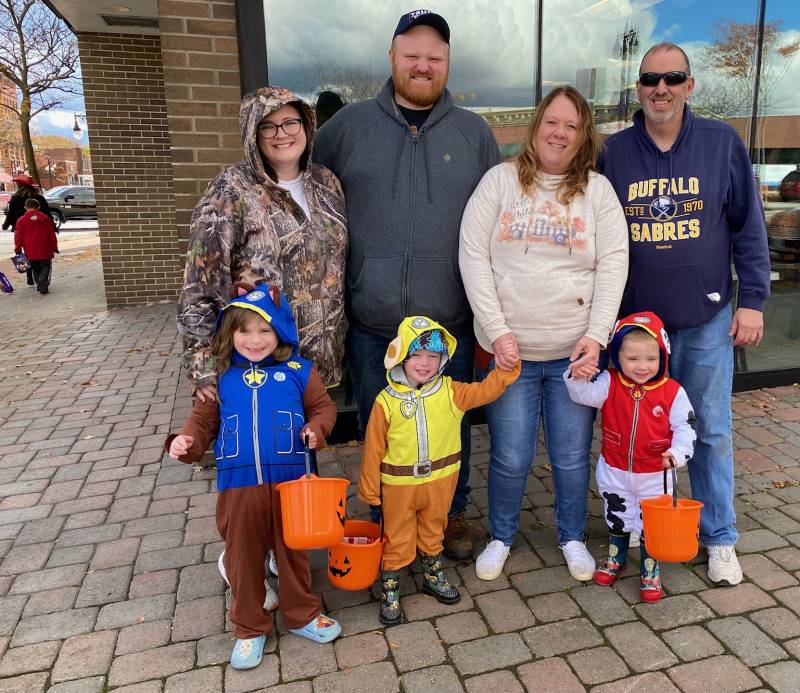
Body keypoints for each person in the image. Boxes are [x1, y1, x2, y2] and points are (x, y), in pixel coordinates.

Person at [314, 10, 500, 559]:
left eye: (434, 58)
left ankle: (453, 513)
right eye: (412, 55)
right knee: (383, 432)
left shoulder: (474, 134)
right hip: (376, 326)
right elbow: (306, 203)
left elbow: (496, 226)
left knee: (451, 429)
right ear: (393, 57)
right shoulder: (344, 130)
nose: (423, 66)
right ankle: (386, 520)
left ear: (447, 65)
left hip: (451, 324)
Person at [600, 43, 771, 586]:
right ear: (639, 89)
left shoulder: (721, 143)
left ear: (689, 85)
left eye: (673, 78)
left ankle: (720, 537)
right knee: (632, 427)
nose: (661, 88)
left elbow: (748, 228)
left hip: (705, 321)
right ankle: (635, 523)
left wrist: (754, 301)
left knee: (712, 430)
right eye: (651, 79)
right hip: (638, 330)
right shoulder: (615, 152)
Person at [459, 85, 629, 581]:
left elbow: (614, 263)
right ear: (536, 128)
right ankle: (501, 536)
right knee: (510, 456)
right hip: (511, 353)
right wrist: (496, 330)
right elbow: (473, 257)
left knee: (572, 456)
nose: (560, 133)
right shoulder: (499, 182)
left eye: (571, 126)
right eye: (552, 122)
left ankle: (572, 535)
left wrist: (597, 336)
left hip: (572, 354)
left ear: (583, 137)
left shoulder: (597, 192)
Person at [166, 283, 341, 670]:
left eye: (264, 330)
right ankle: (249, 628)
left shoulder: (299, 371)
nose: (254, 339)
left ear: (279, 332)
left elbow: (324, 408)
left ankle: (302, 615)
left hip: (294, 485)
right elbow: (201, 423)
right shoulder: (220, 379)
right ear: (230, 334)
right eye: (244, 330)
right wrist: (185, 441)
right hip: (238, 486)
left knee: (292, 553)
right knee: (244, 560)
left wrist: (317, 428)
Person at [178, 86, 347, 402]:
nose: (281, 133)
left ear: (306, 126)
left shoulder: (327, 183)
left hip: (321, 367)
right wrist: (203, 370)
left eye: (290, 122)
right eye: (267, 125)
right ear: (251, 133)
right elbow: (198, 290)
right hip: (258, 367)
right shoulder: (229, 193)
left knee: (309, 447)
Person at [358, 316, 519, 626]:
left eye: (433, 356)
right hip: (399, 484)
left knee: (434, 527)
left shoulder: (451, 392)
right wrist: (369, 486)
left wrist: (507, 369)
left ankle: (432, 573)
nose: (424, 363)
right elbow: (373, 447)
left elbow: (485, 391)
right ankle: (390, 586)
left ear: (442, 359)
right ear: (401, 357)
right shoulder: (386, 401)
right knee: (397, 534)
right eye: (416, 355)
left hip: (441, 480)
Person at [564, 311, 696, 602]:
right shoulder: (610, 382)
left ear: (663, 356)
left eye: (650, 359)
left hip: (655, 474)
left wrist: (677, 453)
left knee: (652, 523)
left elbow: (685, 429)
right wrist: (577, 376)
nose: (641, 367)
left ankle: (650, 568)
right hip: (615, 467)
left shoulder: (672, 392)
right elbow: (582, 395)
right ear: (617, 356)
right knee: (618, 516)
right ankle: (617, 557)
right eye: (632, 359)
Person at [2, 174, 52, 288]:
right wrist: (52, 227)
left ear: (21, 186)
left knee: (28, 253)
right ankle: (41, 277)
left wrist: (6, 225)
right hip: (38, 230)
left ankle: (30, 277)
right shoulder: (39, 198)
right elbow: (47, 214)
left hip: (22, 230)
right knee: (39, 252)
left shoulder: (15, 197)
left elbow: (11, 214)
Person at [13, 198, 58, 295]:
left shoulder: (21, 221)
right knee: (46, 266)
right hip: (45, 248)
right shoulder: (45, 218)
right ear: (38, 207)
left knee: (35, 268)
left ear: (25, 207)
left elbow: (18, 236)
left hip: (30, 250)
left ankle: (39, 282)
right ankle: (43, 280)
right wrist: (54, 246)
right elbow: (51, 234)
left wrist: (18, 249)